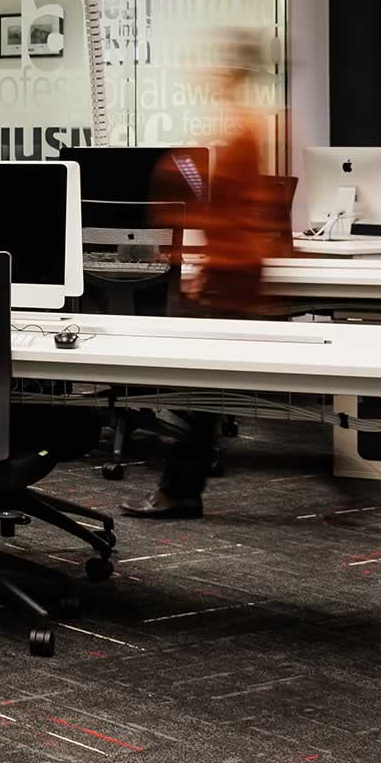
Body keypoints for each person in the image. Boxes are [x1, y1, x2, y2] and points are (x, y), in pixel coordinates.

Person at [124, 30, 288, 520]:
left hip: (230, 272)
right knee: (204, 394)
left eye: (218, 64)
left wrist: (202, 268)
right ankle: (180, 489)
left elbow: (236, 217)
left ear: (233, 72)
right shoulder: (241, 126)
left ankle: (179, 492)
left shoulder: (242, 129)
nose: (208, 72)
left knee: (202, 391)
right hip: (229, 269)